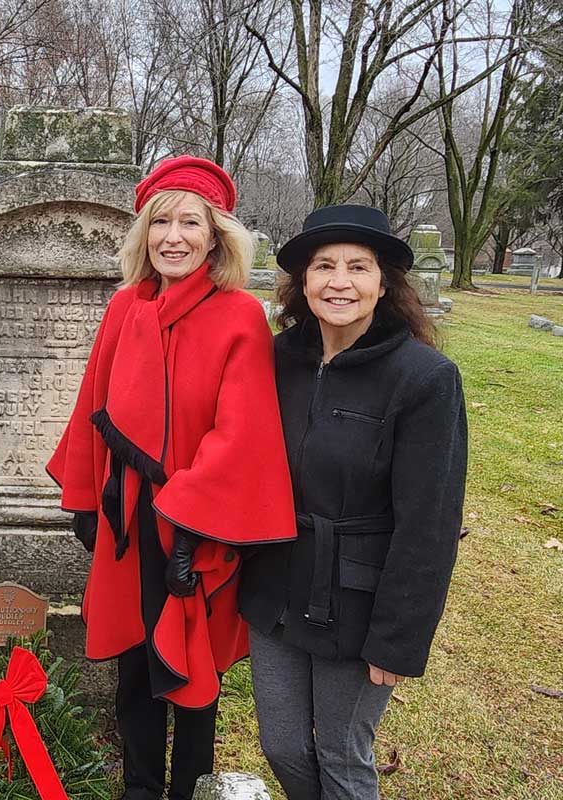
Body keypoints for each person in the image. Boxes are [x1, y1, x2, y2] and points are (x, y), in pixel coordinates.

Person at [46, 156, 297, 800]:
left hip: (198, 526)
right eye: (161, 221)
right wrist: (83, 496)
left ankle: (189, 784)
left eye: (191, 222)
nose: (174, 236)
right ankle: (139, 784)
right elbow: (92, 402)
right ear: (143, 233)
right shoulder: (127, 306)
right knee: (134, 652)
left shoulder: (239, 314)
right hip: (128, 516)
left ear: (216, 236)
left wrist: (186, 520)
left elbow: (239, 432)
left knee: (190, 658)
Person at [238, 205, 468, 800]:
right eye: (324, 266)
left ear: (384, 282)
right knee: (283, 746)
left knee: (341, 753)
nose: (339, 281)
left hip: (360, 600)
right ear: (303, 281)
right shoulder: (276, 359)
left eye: (358, 267)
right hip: (276, 584)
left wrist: (399, 637)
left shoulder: (423, 379)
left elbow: (430, 523)